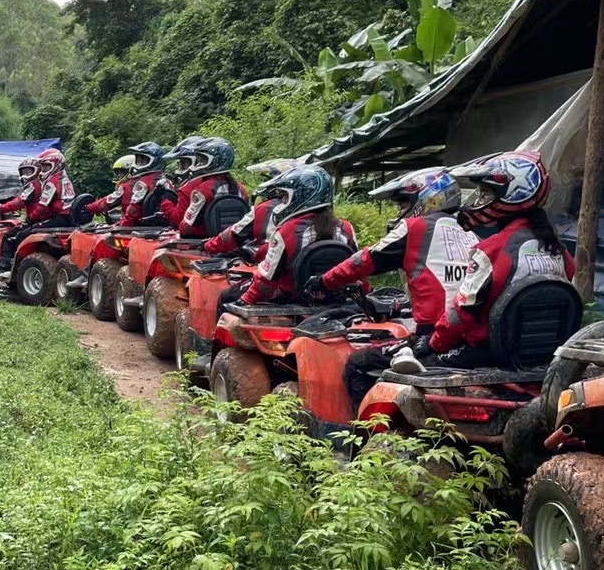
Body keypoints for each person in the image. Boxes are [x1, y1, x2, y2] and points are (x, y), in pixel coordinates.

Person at [304, 167, 477, 404]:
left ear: (426, 198)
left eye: (403, 203)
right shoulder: (471, 232)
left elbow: (362, 262)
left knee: (357, 365)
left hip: (434, 336)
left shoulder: (416, 228)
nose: (401, 211)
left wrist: (324, 281)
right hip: (472, 337)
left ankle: (358, 437)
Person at [394, 151, 575, 372]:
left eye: (485, 192)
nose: (478, 200)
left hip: (486, 353)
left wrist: (433, 343)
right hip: (542, 354)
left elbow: (460, 314)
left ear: (512, 195)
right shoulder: (558, 250)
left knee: (375, 366)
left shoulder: (491, 250)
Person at [235, 165, 357, 307]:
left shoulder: (287, 231)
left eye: (286, 197)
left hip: (292, 300)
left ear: (300, 196)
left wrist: (246, 299)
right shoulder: (346, 228)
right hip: (337, 301)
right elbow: (356, 269)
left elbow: (267, 279)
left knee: (226, 297)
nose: (283, 202)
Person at [201, 158, 299, 257]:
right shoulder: (309, 212)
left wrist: (207, 246)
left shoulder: (264, 208)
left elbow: (233, 235)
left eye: (268, 179)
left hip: (264, 260)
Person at [158, 136, 247, 238]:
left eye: (203, 160)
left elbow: (187, 226)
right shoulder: (241, 189)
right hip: (234, 240)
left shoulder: (202, 190)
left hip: (203, 240)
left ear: (214, 162)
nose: (199, 164)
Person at [119, 141, 175, 226]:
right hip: (167, 227)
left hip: (144, 228)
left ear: (154, 162)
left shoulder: (142, 183)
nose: (139, 164)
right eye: (139, 160)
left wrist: (123, 225)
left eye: (143, 161)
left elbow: (133, 209)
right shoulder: (168, 181)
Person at [92, 154, 136, 221]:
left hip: (131, 223)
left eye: (121, 172)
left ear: (131, 171)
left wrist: (89, 207)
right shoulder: (141, 183)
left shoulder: (125, 187)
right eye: (118, 173)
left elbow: (108, 202)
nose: (119, 176)